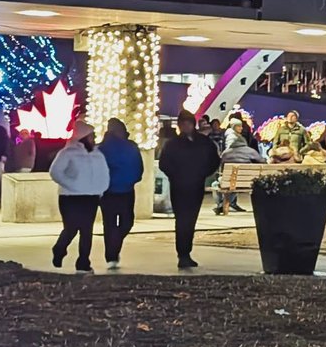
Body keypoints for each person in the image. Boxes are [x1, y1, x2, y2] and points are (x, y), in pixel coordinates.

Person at [158, 110, 221, 267]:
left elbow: (214, 160)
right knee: (182, 220)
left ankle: (186, 252)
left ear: (193, 124)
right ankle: (183, 253)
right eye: (182, 123)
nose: (185, 126)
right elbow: (164, 164)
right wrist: (176, 175)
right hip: (179, 186)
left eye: (188, 123)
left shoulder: (203, 142)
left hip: (196, 184)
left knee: (190, 220)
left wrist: (203, 174)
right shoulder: (173, 144)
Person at [49, 124, 111, 271]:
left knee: (86, 230)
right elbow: (56, 172)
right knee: (71, 228)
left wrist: (101, 189)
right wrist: (72, 184)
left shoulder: (98, 155)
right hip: (70, 197)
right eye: (92, 135)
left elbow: (104, 173)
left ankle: (83, 261)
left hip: (90, 197)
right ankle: (59, 249)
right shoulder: (68, 153)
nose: (94, 139)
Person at [96, 118, 145, 270]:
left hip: (110, 191)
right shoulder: (128, 147)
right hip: (122, 190)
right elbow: (138, 167)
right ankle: (113, 250)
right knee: (124, 222)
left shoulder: (101, 149)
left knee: (111, 224)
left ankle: (112, 251)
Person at [215, 117, 266, 214]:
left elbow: (221, 163)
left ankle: (221, 205)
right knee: (232, 183)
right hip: (248, 180)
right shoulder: (249, 150)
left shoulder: (226, 153)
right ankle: (226, 204)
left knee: (220, 184)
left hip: (231, 179)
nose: (241, 128)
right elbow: (262, 161)